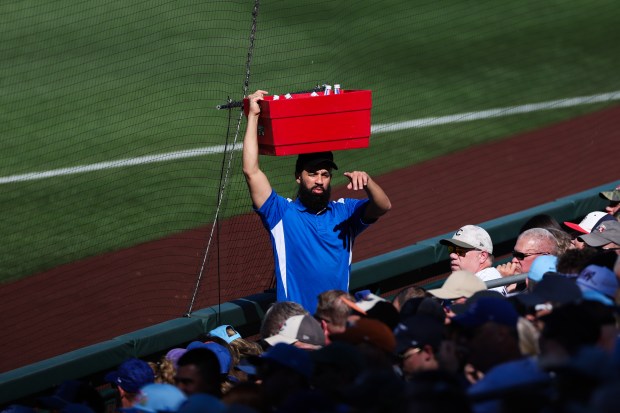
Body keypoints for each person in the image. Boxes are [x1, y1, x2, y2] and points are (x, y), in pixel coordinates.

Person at [242, 90, 391, 313]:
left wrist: (368, 182)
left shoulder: (345, 213)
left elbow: (383, 206)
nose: (319, 180)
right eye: (312, 173)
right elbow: (251, 171)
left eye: (325, 174)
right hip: (295, 324)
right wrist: (253, 116)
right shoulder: (281, 213)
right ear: (298, 176)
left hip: (336, 321)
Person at [440, 225, 506, 295]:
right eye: (451, 249)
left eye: (460, 250)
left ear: (482, 256)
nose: (452, 255)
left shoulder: (488, 286)